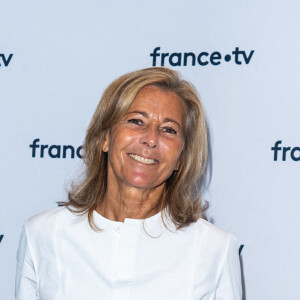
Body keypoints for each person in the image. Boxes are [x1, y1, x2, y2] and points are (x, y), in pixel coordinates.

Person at [15, 67, 242, 299]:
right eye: (136, 121)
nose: (151, 139)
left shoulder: (215, 249)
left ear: (181, 159)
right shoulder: (42, 234)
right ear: (105, 137)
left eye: (168, 130)